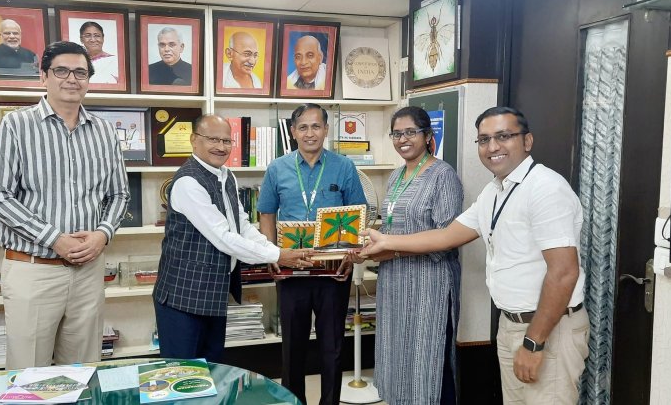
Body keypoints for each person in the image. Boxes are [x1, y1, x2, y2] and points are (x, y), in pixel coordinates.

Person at [361, 106, 589, 404]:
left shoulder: (546, 189)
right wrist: (385, 241)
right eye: (484, 140)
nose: (492, 147)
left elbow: (564, 273)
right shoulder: (495, 191)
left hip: (547, 328)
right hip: (512, 324)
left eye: (503, 136)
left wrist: (534, 342)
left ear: (527, 141)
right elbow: (446, 235)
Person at [0, 41, 130, 370]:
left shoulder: (105, 132)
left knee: (82, 371)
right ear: (44, 77)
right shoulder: (16, 126)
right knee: (29, 375)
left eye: (80, 72)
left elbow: (119, 194)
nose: (71, 79)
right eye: (61, 70)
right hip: (33, 270)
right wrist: (55, 238)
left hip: (88, 272)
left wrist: (102, 234)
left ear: (89, 79)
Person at [153, 114, 312, 363]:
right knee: (183, 375)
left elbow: (241, 224)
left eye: (227, 141)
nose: (221, 146)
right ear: (194, 140)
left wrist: (271, 249)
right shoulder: (187, 182)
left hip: (214, 293)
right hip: (183, 297)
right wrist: (279, 255)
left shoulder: (227, 175)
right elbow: (223, 237)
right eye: (212, 139)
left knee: (212, 368)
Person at [347, 106, 463, 404]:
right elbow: (389, 232)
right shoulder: (397, 175)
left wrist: (387, 246)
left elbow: (446, 239)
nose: (403, 139)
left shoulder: (443, 175)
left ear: (427, 135)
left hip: (429, 286)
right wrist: (368, 253)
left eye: (410, 132)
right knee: (397, 357)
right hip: (394, 285)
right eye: (397, 133)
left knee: (428, 360)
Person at [257, 103, 367, 405]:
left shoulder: (343, 166)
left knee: (332, 347)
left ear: (326, 130)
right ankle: (295, 402)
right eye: (302, 127)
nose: (310, 133)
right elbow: (266, 213)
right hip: (292, 271)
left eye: (316, 126)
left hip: (333, 272)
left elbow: (357, 214)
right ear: (293, 132)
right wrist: (273, 254)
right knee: (292, 346)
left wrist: (350, 256)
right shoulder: (277, 168)